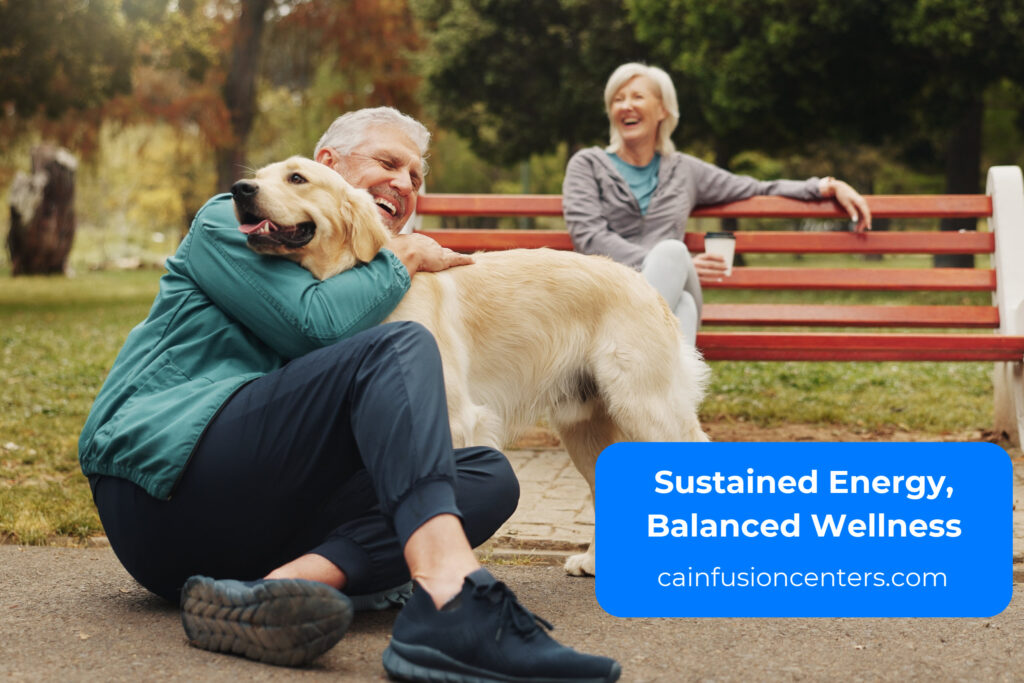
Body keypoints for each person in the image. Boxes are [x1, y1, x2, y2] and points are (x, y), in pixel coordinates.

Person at [79, 107, 621, 682]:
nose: (403, 184)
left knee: (486, 476)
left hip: (250, 535)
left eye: (416, 177)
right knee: (400, 346)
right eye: (388, 162)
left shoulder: (358, 276)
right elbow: (311, 327)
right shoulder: (233, 219)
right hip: (159, 491)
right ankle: (452, 601)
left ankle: (280, 591)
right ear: (328, 165)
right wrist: (401, 257)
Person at [562, 62, 872, 345]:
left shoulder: (684, 170)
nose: (626, 105)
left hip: (629, 323)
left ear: (663, 110)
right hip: (609, 295)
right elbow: (590, 238)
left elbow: (757, 187)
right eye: (617, 99)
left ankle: (619, 364)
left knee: (672, 254)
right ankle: (669, 404)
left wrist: (826, 186)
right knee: (680, 298)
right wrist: (668, 266)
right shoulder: (587, 164)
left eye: (637, 96)